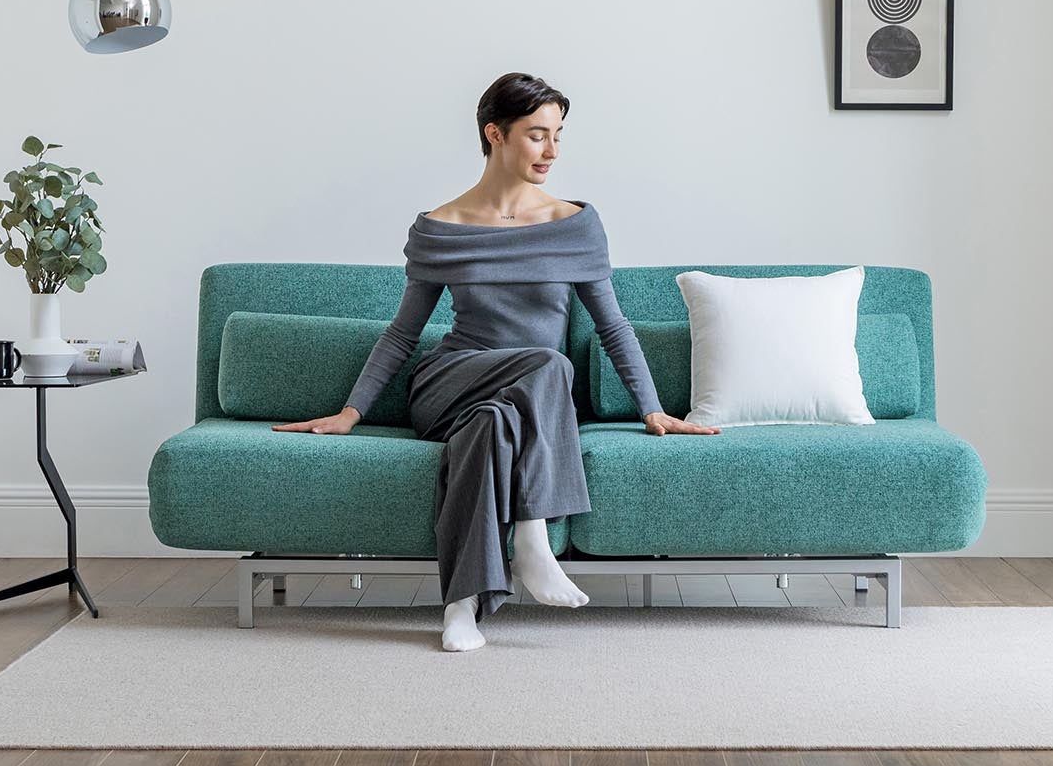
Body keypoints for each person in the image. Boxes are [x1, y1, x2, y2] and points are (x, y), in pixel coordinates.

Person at [272, 72, 720, 650]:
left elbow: (613, 325)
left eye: (559, 135)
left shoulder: (574, 225)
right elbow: (403, 334)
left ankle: (462, 607)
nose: (552, 151)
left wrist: (653, 410)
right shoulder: (442, 227)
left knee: (492, 426)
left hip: (514, 401)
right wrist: (351, 412)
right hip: (448, 381)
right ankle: (532, 538)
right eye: (538, 135)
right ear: (495, 134)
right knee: (551, 365)